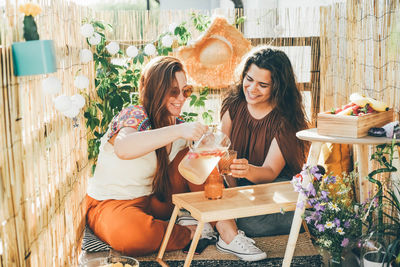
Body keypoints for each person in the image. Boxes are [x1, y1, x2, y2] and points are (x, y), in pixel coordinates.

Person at [85, 56, 266, 261]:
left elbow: (198, 169)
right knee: (133, 236)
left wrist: (209, 149)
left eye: (185, 90)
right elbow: (124, 148)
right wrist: (179, 129)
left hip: (155, 200)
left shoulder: (177, 125)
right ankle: (191, 231)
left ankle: (228, 234)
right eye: (173, 91)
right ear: (155, 90)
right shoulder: (135, 115)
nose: (181, 97)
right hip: (112, 203)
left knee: (202, 157)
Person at [220, 46, 309, 237]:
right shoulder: (233, 104)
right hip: (238, 185)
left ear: (277, 87)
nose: (252, 89)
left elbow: (269, 172)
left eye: (263, 85)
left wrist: (247, 170)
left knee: (252, 222)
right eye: (249, 79)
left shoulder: (285, 121)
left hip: (274, 186)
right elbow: (222, 148)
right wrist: (231, 187)